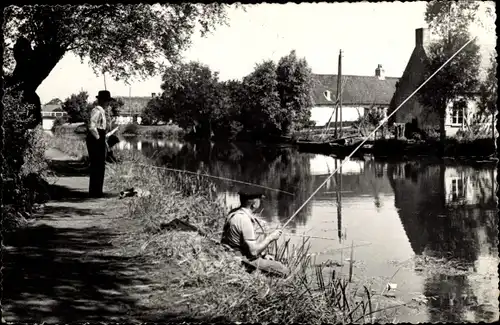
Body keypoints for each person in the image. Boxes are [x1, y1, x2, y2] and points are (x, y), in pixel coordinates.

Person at [221, 191, 290, 277]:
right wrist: (270, 238)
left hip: (230, 253)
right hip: (239, 259)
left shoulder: (233, 212)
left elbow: (241, 244)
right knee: (284, 270)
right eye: (259, 199)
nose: (260, 201)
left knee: (270, 260)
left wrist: (263, 255)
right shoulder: (244, 220)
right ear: (254, 203)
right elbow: (253, 252)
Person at [86, 90, 113, 198]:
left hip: (99, 137)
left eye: (108, 101)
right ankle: (94, 191)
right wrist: (98, 139)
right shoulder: (97, 111)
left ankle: (97, 191)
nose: (108, 104)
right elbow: (92, 126)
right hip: (95, 138)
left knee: (100, 165)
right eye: (107, 101)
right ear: (101, 101)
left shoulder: (102, 111)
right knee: (97, 164)